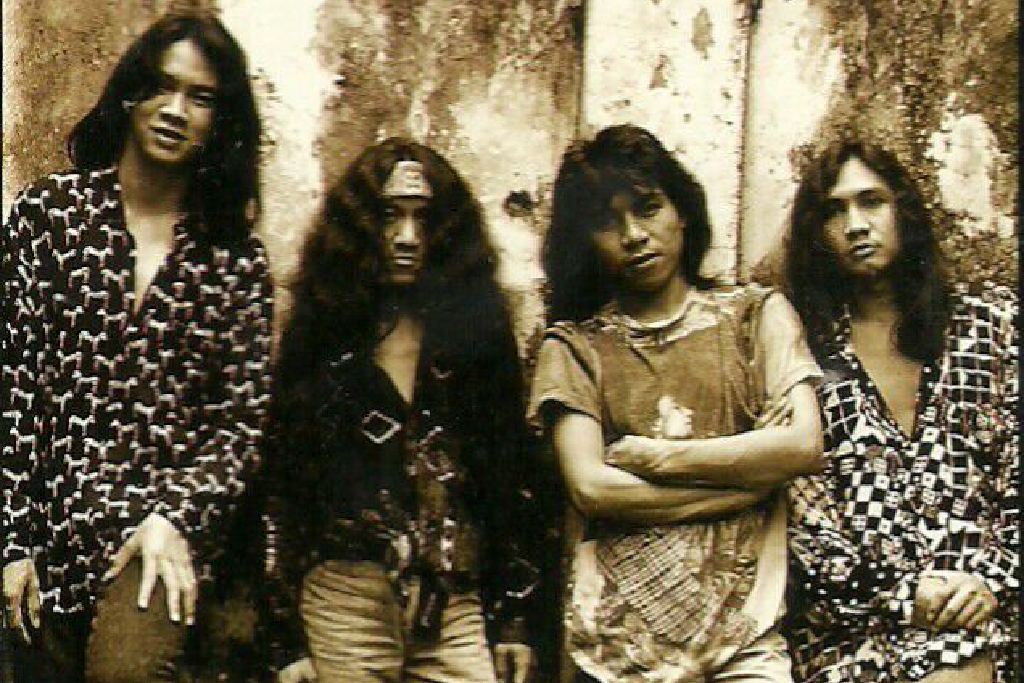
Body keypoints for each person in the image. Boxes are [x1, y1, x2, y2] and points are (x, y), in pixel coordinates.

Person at [1, 11, 273, 683]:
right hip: (45, 529)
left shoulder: (234, 261)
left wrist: (175, 517)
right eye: (162, 86)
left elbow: (238, 426)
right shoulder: (49, 218)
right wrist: (12, 542)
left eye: (201, 97)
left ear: (222, 121)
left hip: (150, 546)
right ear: (130, 94)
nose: (176, 110)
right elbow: (13, 386)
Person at [527, 123, 823, 683]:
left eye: (647, 208)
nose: (634, 235)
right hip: (617, 649)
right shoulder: (573, 348)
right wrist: (748, 485)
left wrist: (658, 458)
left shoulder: (755, 317)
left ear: (681, 210)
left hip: (745, 641)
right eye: (608, 222)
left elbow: (804, 446)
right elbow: (593, 488)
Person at [259, 138, 542, 683]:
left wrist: (514, 619)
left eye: (423, 218)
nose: (408, 237)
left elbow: (510, 477)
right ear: (361, 226)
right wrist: (284, 640)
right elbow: (281, 482)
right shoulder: (324, 334)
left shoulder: (479, 336)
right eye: (390, 216)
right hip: (346, 600)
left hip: (451, 605)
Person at [782, 138, 1019, 683]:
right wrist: (903, 595)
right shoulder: (801, 354)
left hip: (981, 610)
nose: (855, 225)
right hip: (854, 628)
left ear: (904, 211)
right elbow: (805, 523)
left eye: (872, 202)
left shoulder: (990, 329)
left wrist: (992, 578)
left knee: (961, 652)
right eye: (834, 211)